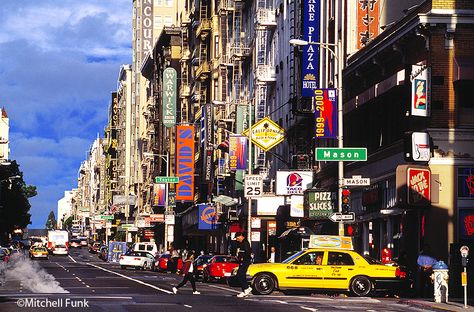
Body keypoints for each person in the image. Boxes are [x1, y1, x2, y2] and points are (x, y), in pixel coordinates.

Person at [235, 232, 253, 298]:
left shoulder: (245, 243)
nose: (237, 239)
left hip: (245, 261)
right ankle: (244, 290)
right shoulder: (241, 243)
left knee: (240, 274)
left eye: (237, 238)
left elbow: (247, 252)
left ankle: (246, 288)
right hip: (242, 261)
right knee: (240, 275)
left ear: (241, 236)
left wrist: (242, 258)